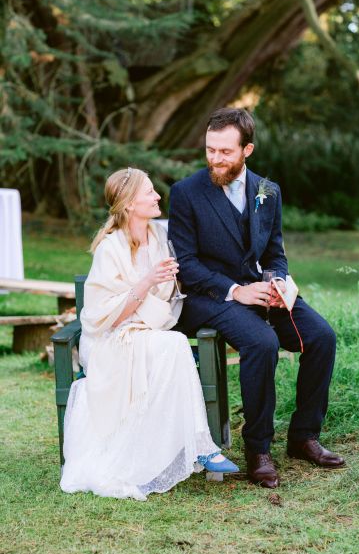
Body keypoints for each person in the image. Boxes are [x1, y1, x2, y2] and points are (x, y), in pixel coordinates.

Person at [168, 108, 345, 489]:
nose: (215, 159)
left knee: (322, 337)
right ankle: (258, 450)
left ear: (247, 149)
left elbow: (275, 253)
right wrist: (236, 290)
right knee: (262, 343)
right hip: (211, 296)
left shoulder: (269, 191)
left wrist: (278, 282)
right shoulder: (185, 193)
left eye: (225, 152)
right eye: (210, 150)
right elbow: (186, 265)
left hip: (262, 290)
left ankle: (304, 437)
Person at [60, 167, 238, 501]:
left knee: (171, 346)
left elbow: (168, 299)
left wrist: (169, 282)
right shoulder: (109, 249)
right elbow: (103, 317)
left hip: (148, 330)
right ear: (129, 204)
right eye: (149, 192)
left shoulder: (158, 236)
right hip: (110, 343)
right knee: (174, 346)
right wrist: (147, 282)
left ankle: (190, 446)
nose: (158, 197)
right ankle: (199, 445)